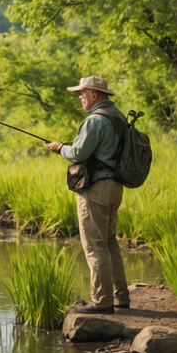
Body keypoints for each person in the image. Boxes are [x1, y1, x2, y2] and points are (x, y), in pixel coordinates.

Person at [44, 76, 129, 314]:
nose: (80, 97)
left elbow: (79, 153)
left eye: (82, 93)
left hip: (96, 188)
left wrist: (61, 148)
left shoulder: (95, 120)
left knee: (94, 246)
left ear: (94, 94)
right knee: (110, 243)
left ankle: (101, 302)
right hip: (115, 186)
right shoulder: (118, 116)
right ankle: (120, 297)